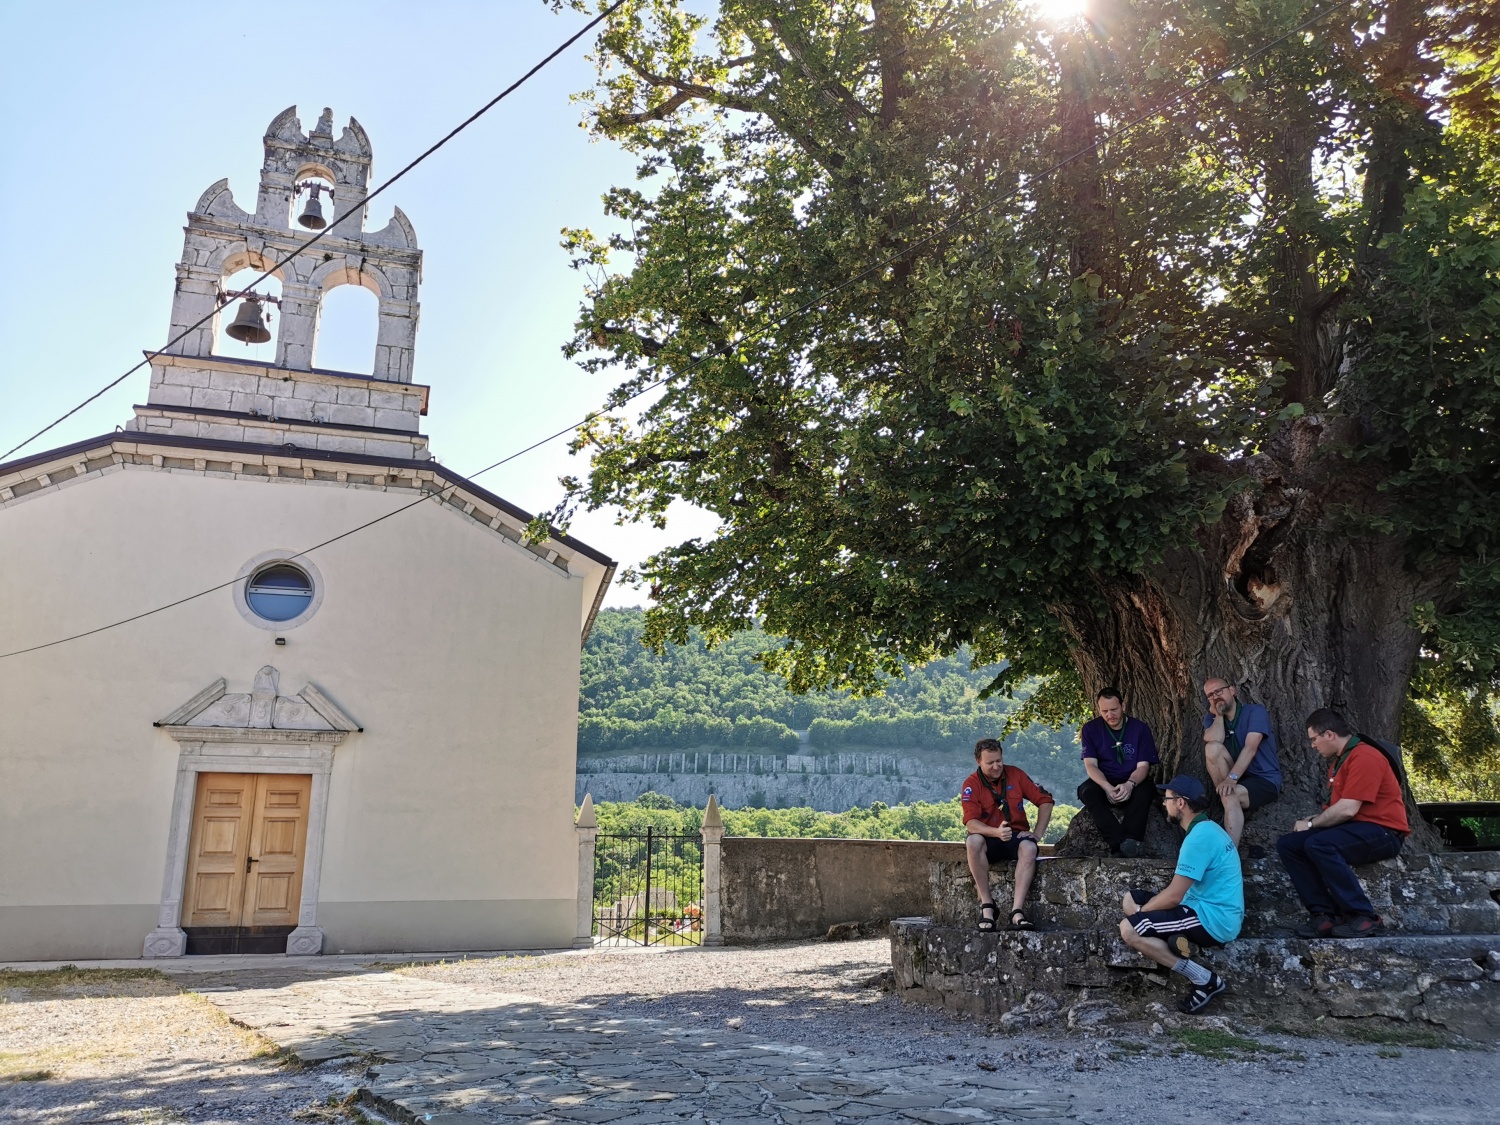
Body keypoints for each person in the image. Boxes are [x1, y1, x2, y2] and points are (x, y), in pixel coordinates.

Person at [1276, 708, 1409, 938]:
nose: (1313, 745)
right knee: (1289, 845)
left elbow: (1348, 809)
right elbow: (1338, 810)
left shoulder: (1364, 756)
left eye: (1314, 739)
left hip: (1385, 832)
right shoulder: (1342, 760)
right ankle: (1325, 915)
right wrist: (1313, 821)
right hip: (1358, 828)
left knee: (1319, 844)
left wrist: (1311, 824)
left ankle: (1363, 916)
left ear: (1329, 734)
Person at [1119, 775, 1244, 1013]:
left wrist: (1141, 914)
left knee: (1129, 929)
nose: (1164, 803)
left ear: (1181, 803)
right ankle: (1175, 939)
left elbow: (1175, 896)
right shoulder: (1208, 828)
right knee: (1131, 898)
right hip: (1201, 906)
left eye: (1167, 799)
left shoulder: (1198, 838)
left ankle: (1204, 979)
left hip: (1211, 919)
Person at [961, 738, 1055, 932]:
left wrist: (1037, 834)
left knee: (1029, 847)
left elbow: (1045, 801)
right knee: (973, 842)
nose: (996, 767)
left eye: (999, 761)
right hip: (989, 837)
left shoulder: (1016, 774)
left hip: (1016, 835)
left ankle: (1017, 911)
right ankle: (987, 906)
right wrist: (995, 832)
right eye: (990, 763)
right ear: (978, 761)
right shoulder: (971, 784)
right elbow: (971, 822)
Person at [1076, 687, 1159, 856]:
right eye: (1104, 711)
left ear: (1123, 706)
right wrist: (1106, 786)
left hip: (1132, 779)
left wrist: (1130, 784)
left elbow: (1143, 766)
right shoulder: (1090, 729)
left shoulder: (1139, 728)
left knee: (1147, 791)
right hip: (1104, 779)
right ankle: (1118, 841)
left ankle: (1131, 840)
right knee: (1087, 792)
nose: (1109, 715)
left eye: (1114, 709)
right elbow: (1091, 765)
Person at [1201, 677, 1282, 845]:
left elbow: (1250, 748)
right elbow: (1213, 740)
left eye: (1219, 691)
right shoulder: (1213, 719)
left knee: (1231, 794)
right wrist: (1218, 715)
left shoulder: (1255, 712)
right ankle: (1227, 800)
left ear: (1232, 690)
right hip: (1236, 778)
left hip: (1264, 780)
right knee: (1212, 748)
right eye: (1210, 695)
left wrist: (1231, 779)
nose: (1216, 697)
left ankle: (1229, 853)